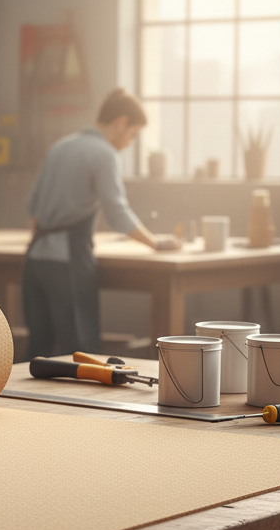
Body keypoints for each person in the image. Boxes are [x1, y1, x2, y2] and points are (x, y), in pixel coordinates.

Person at [23, 88, 179, 358]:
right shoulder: (104, 154)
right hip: (67, 262)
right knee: (80, 351)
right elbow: (118, 214)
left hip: (35, 260)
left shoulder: (60, 147)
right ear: (121, 123)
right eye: (132, 135)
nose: (129, 143)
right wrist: (155, 243)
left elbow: (32, 207)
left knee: (40, 350)